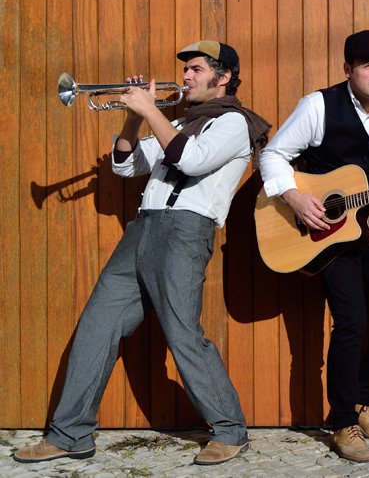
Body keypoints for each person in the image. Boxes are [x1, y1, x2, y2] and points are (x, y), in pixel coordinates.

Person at [14, 40, 271, 465]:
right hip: (141, 230)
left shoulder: (234, 124)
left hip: (185, 233)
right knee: (96, 327)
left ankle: (230, 430)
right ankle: (69, 434)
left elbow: (191, 161)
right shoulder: (183, 123)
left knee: (183, 334)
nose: (186, 77)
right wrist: (134, 118)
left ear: (223, 77)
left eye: (195, 69)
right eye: (185, 70)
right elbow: (125, 164)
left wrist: (152, 111)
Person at [258, 30, 369, 463]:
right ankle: (341, 423)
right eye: (368, 65)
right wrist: (295, 198)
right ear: (348, 70)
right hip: (325, 233)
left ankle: (360, 397)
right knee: (351, 321)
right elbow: (273, 156)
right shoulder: (318, 105)